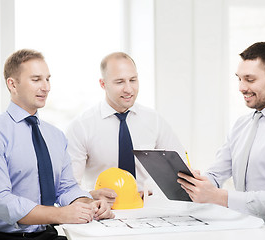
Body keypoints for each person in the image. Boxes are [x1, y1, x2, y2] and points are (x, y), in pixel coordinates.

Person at [177, 42, 265, 239]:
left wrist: (220, 197)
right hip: (243, 227)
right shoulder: (241, 125)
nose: (242, 87)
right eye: (239, 79)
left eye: (250, 80)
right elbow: (217, 174)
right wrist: (198, 183)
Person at [0, 49, 114, 240]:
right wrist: (61, 214)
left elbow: (66, 188)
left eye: (48, 79)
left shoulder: (55, 136)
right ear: (12, 84)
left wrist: (89, 203)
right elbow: (2, 202)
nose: (46, 87)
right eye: (36, 79)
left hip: (45, 234)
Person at [66, 52, 186, 205]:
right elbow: (68, 187)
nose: (129, 89)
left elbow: (180, 172)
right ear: (103, 84)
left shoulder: (154, 120)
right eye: (120, 82)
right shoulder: (82, 126)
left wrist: (154, 192)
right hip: (101, 213)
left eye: (133, 80)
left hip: (148, 211)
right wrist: (91, 196)